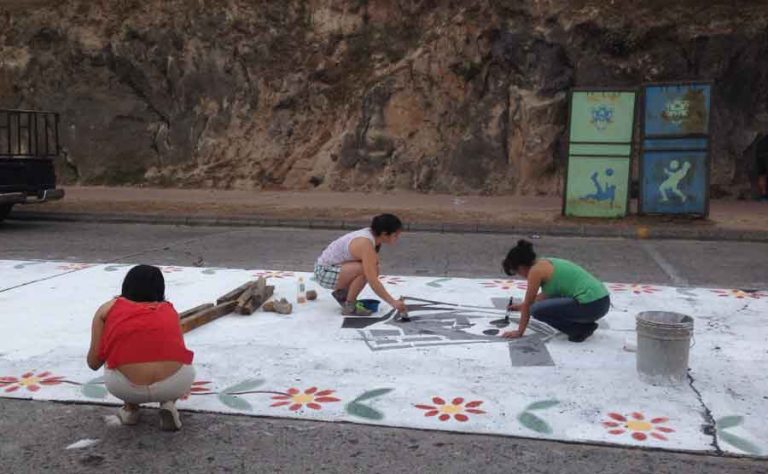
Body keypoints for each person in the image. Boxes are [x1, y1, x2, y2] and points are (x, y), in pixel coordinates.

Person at [86, 265, 195, 431]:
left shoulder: (107, 310)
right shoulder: (170, 310)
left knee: (120, 358)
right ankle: (168, 403)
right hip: (174, 384)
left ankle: (130, 410)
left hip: (126, 387)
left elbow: (94, 363)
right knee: (176, 360)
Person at [500, 240, 610, 343]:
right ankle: (583, 325)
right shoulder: (546, 263)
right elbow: (545, 296)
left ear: (521, 267)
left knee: (536, 310)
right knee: (539, 306)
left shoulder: (535, 271)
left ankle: (579, 329)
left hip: (591, 305)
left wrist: (519, 332)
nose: (522, 276)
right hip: (602, 302)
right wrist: (521, 306)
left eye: (518, 272)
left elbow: (530, 304)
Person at [314, 214, 408, 316]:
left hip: (332, 269)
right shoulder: (365, 244)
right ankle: (350, 306)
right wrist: (393, 302)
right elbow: (372, 280)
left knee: (372, 268)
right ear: (384, 234)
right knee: (366, 270)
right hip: (324, 273)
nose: (397, 238)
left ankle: (342, 295)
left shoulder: (372, 236)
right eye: (395, 235)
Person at [755, 133, 768, 201]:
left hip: (761, 149)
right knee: (762, 174)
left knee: (762, 174)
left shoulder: (762, 142)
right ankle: (764, 195)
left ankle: (764, 195)